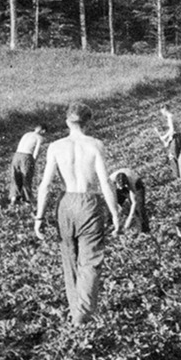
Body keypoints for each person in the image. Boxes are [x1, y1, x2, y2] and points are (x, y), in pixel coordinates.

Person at [34, 102, 119, 326]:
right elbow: (104, 184)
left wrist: (39, 217)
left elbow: (45, 185)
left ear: (67, 121)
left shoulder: (55, 146)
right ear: (88, 121)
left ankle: (76, 312)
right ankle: (83, 313)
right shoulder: (95, 145)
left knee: (69, 259)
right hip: (89, 202)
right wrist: (115, 214)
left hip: (66, 203)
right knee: (90, 261)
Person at [8, 125, 44, 206]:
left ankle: (14, 198)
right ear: (43, 131)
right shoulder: (39, 137)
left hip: (17, 155)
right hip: (27, 156)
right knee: (26, 178)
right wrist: (33, 161)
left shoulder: (26, 134)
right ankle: (26, 200)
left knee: (16, 176)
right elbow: (36, 151)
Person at [111, 165, 150, 235]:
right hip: (116, 186)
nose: (121, 188)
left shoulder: (131, 181)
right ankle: (112, 227)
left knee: (139, 208)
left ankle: (144, 230)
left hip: (137, 184)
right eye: (119, 186)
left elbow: (134, 202)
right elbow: (112, 202)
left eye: (122, 186)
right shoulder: (110, 182)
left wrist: (129, 218)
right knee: (111, 206)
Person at [155, 106, 181, 172]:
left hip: (175, 138)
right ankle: (179, 172)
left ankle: (177, 174)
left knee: (173, 156)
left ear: (164, 110)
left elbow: (172, 130)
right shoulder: (172, 116)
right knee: (176, 155)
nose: (162, 114)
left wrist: (165, 138)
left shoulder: (170, 117)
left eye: (162, 112)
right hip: (177, 137)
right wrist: (168, 140)